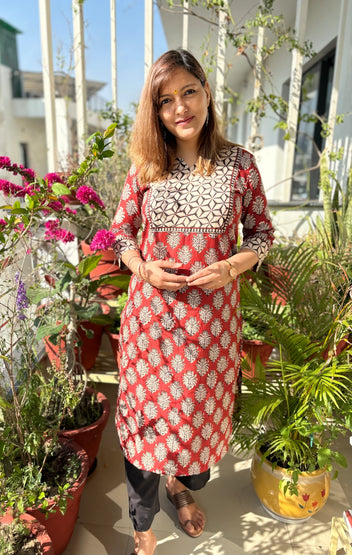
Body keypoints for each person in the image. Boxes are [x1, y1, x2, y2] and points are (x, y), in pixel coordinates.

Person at [110, 49, 274, 555]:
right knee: (145, 433)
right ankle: (143, 524)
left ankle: (182, 485)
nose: (179, 107)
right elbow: (120, 233)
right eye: (165, 100)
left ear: (206, 93)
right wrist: (143, 267)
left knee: (196, 435)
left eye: (188, 92)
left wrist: (230, 267)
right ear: (154, 110)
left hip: (211, 331)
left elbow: (263, 233)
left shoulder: (240, 166)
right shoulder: (145, 167)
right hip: (151, 327)